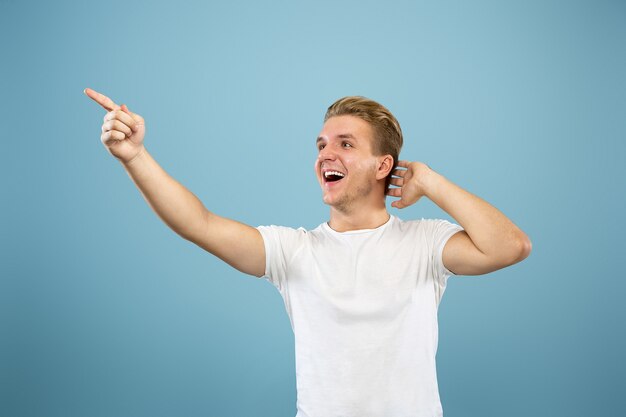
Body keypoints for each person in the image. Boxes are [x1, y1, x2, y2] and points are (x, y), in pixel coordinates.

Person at [85, 88, 531, 417]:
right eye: (321, 145)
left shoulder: (426, 242)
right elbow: (197, 223)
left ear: (383, 166)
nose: (325, 154)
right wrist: (134, 157)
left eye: (345, 144)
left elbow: (511, 246)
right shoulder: (294, 250)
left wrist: (431, 181)